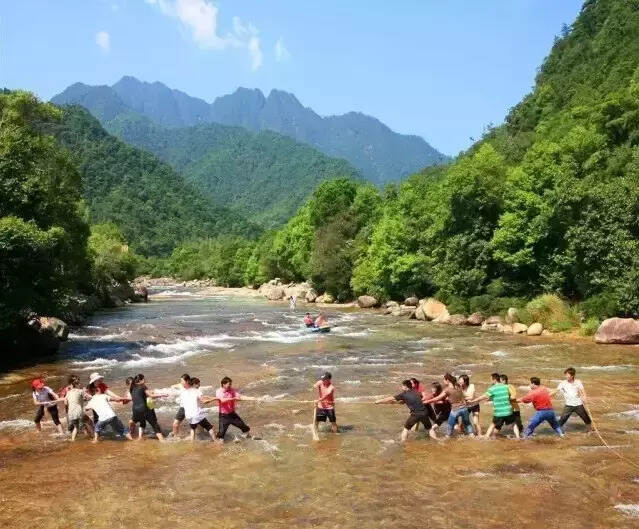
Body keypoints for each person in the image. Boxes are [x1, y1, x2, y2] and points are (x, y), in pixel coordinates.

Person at [423, 373, 473, 438]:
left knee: (450, 425)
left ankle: (447, 438)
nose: (443, 382)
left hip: (455, 410)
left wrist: (426, 402)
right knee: (468, 423)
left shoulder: (447, 389)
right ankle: (471, 435)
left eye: (444, 380)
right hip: (464, 408)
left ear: (447, 380)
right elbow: (459, 395)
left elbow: (438, 398)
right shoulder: (458, 385)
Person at [215, 376, 259, 441]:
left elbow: (240, 396)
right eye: (229, 384)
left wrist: (252, 398)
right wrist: (233, 398)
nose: (230, 385)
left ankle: (246, 437)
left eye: (230, 384)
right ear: (223, 384)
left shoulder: (232, 390)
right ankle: (217, 443)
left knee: (244, 427)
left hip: (232, 414)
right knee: (221, 435)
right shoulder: (219, 391)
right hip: (223, 416)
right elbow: (222, 400)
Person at [129, 374, 168, 441]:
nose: (145, 380)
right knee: (154, 424)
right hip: (144, 408)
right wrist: (162, 395)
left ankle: (135, 435)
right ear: (141, 380)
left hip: (135, 410)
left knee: (141, 420)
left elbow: (137, 397)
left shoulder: (132, 388)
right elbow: (151, 396)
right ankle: (162, 440)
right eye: (144, 379)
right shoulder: (143, 386)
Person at [180, 377, 217, 442]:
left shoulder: (184, 392)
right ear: (194, 384)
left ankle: (192, 443)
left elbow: (183, 405)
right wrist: (213, 399)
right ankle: (216, 441)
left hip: (188, 415)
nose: (199, 386)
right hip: (197, 414)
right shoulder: (197, 391)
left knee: (192, 429)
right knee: (210, 428)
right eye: (198, 385)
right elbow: (203, 401)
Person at [65, 376, 93, 441]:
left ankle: (72, 439)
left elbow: (66, 402)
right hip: (78, 412)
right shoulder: (80, 391)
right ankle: (93, 436)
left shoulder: (68, 392)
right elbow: (89, 397)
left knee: (76, 427)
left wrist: (81, 400)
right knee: (89, 422)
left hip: (70, 413)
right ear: (77, 384)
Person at [312, 372, 338, 441]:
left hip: (329, 407)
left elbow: (325, 396)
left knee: (333, 422)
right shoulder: (321, 382)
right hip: (321, 406)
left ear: (329, 379)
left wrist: (318, 400)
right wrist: (315, 386)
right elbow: (315, 385)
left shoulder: (331, 387)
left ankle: (336, 435)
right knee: (317, 421)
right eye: (322, 379)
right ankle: (315, 433)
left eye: (324, 379)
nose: (323, 380)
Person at [170, 373, 192, 438]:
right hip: (182, 408)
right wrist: (172, 391)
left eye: (182, 381)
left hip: (191, 408)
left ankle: (200, 435)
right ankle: (176, 437)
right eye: (181, 381)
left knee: (197, 424)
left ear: (187, 381)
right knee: (175, 425)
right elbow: (172, 386)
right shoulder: (180, 385)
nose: (181, 382)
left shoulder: (192, 388)